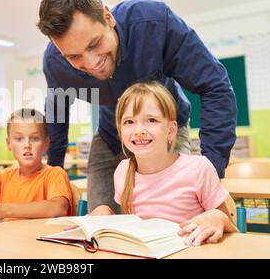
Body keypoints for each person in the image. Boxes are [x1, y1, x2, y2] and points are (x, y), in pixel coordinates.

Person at [37, 0, 237, 213]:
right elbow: (57, 119)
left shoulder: (154, 23)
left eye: (95, 44)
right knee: (100, 227)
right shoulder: (55, 63)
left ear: (107, 17)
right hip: (111, 136)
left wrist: (210, 172)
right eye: (74, 57)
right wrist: (54, 178)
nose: (92, 64)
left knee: (181, 222)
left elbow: (215, 87)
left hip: (165, 135)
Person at [90, 82, 238, 246]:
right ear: (120, 130)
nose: (138, 130)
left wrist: (217, 218)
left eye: (151, 120)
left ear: (171, 130)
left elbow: (231, 229)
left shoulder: (198, 168)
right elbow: (132, 227)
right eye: (129, 122)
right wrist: (105, 212)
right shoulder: (122, 172)